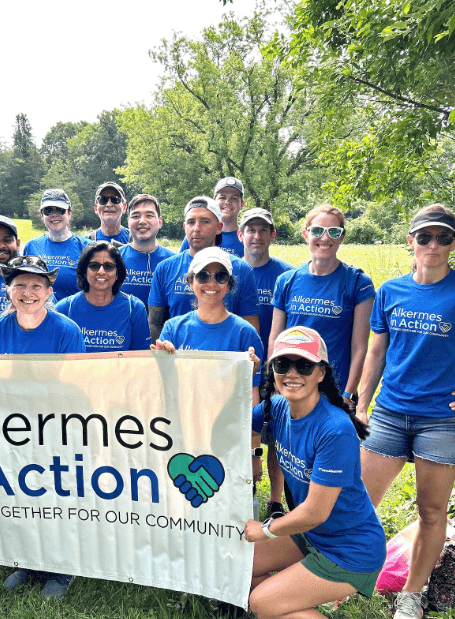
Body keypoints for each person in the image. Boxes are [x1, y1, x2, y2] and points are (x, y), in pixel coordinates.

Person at [356, 204, 455, 619]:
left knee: (432, 511)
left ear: (454, 243)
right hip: (390, 412)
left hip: (443, 421)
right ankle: (349, 578)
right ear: (410, 241)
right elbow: (377, 351)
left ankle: (411, 598)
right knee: (358, 502)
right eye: (425, 237)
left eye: (443, 238)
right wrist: (361, 403)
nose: (433, 245)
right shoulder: (391, 291)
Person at [243, 326, 388, 619]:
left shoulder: (334, 428)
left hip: (349, 550)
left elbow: (315, 512)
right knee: (240, 566)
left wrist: (266, 529)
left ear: (321, 372)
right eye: (283, 364)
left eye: (304, 365)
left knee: (261, 602)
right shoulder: (277, 406)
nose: (292, 372)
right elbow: (233, 421)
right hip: (314, 536)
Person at [0, 255, 84, 598]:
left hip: (57, 429)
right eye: (20, 284)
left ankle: (63, 567)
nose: (28, 292)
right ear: (8, 289)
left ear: (49, 291)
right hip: (12, 430)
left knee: (58, 496)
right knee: (23, 495)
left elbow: (72, 388)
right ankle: (28, 559)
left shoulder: (67, 331)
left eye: (36, 285)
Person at [270, 204, 375, 403]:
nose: (325, 238)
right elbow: (275, 339)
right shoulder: (286, 281)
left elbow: (360, 346)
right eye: (317, 231)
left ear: (342, 237)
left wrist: (349, 393)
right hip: (293, 386)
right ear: (305, 234)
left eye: (333, 232)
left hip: (335, 390)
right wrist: (275, 385)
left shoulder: (358, 282)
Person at [152, 247, 263, 400]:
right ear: (190, 282)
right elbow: (162, 389)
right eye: (203, 276)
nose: (211, 283)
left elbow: (252, 396)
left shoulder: (246, 333)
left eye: (220, 276)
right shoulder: (173, 329)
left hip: (227, 421)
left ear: (229, 284)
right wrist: (160, 362)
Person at [239, 207, 294, 519]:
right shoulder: (230, 272)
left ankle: (275, 499)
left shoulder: (285, 275)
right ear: (241, 235)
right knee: (247, 428)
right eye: (251, 230)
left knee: (275, 433)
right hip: (242, 365)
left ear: (273, 235)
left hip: (278, 367)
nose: (256, 236)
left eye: (263, 230)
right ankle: (243, 486)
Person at [148, 195, 260, 343]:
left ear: (219, 227)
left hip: (226, 359)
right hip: (179, 359)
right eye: (191, 222)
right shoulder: (165, 268)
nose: (197, 228)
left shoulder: (240, 269)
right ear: (184, 227)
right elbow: (155, 323)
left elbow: (250, 324)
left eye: (205, 222)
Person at [56, 241, 150, 352]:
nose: (101, 271)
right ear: (84, 272)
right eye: (94, 266)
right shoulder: (64, 309)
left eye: (108, 266)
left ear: (117, 274)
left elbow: (141, 358)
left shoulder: (134, 309)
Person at [23, 189, 90, 301]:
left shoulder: (86, 247)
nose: (54, 215)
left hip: (74, 315)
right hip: (41, 316)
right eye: (48, 211)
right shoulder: (31, 246)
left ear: (69, 213)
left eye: (60, 210)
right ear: (41, 215)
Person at [119, 194, 175, 309]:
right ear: (128, 222)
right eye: (136, 216)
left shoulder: (173, 262)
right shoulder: (114, 259)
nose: (142, 221)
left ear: (160, 222)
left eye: (149, 215)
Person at [178, 176, 246, 257]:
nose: (227, 202)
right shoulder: (195, 236)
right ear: (214, 202)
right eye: (222, 197)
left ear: (242, 204)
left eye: (234, 198)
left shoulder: (246, 239)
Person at [86, 182, 130, 246]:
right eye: (103, 200)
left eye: (115, 199)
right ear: (96, 208)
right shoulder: (84, 244)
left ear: (124, 207)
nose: (109, 204)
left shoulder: (136, 241)